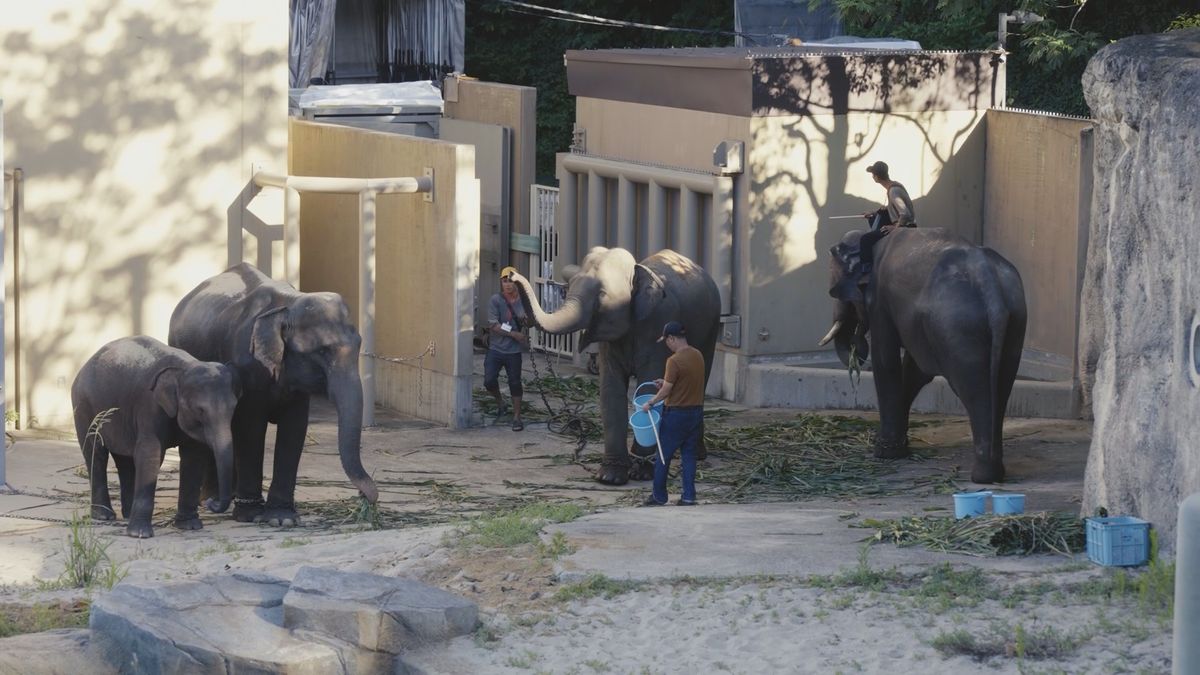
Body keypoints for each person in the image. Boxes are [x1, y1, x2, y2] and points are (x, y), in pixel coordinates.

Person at [639, 321, 706, 506]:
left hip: (676, 414)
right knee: (689, 456)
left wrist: (650, 402)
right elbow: (685, 381)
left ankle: (659, 496)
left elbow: (667, 390)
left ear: (672, 338)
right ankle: (689, 496)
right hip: (695, 413)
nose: (667, 345)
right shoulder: (697, 355)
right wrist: (666, 382)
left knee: (662, 455)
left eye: (667, 341)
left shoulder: (674, 360)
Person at [485, 266, 528, 431]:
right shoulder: (496, 300)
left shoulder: (524, 301)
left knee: (515, 383)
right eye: (505, 281)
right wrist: (514, 334)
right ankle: (500, 402)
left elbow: (530, 321)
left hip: (514, 352)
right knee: (489, 380)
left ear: (517, 283)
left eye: (511, 281)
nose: (508, 284)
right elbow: (494, 324)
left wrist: (526, 322)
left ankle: (517, 417)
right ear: (501, 283)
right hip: (496, 348)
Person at [856, 161, 916, 271]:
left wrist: (895, 228)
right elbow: (893, 210)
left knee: (865, 239)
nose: (873, 177)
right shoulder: (894, 186)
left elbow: (905, 213)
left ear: (877, 177)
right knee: (876, 217)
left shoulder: (893, 191)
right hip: (902, 224)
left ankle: (866, 273)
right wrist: (873, 213)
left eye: (873, 175)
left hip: (905, 227)